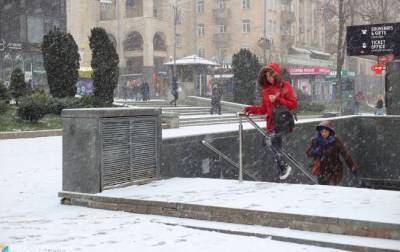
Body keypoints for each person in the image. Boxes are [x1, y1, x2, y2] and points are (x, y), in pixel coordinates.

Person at [242, 63, 297, 180]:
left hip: (284, 124)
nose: (269, 78)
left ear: (276, 75)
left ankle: (283, 167)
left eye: (271, 75)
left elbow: (293, 104)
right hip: (272, 124)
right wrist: (249, 109)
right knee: (271, 145)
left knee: (269, 141)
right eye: (267, 76)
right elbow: (263, 109)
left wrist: (279, 99)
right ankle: (282, 172)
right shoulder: (266, 91)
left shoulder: (285, 86)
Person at [306, 120, 358, 185]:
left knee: (331, 188)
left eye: (326, 131)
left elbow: (345, 154)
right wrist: (315, 152)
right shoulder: (315, 140)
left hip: (334, 170)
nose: (324, 133)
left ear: (330, 132)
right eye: (322, 131)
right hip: (322, 170)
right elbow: (308, 153)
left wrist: (352, 167)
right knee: (323, 188)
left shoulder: (336, 141)